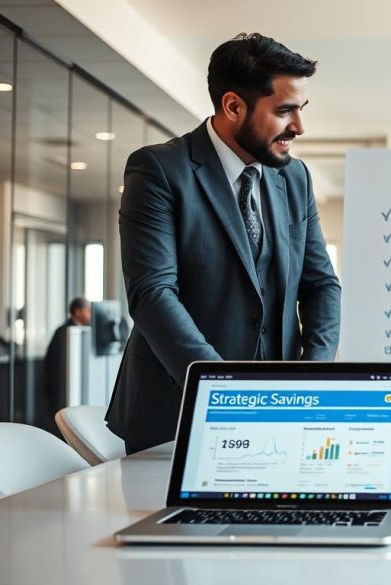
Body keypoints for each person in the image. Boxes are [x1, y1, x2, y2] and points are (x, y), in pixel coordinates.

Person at [106, 33, 341, 453]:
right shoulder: (159, 169)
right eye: (284, 111)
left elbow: (321, 284)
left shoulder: (295, 177)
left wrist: (313, 378)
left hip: (280, 414)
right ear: (234, 106)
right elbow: (153, 294)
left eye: (301, 110)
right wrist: (225, 392)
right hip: (176, 411)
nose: (299, 127)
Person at [43, 297, 91, 418]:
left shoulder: (86, 332)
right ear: (77, 311)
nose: (91, 314)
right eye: (88, 310)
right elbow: (54, 363)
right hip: (63, 387)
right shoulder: (63, 332)